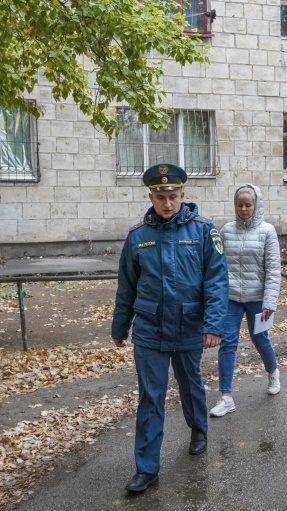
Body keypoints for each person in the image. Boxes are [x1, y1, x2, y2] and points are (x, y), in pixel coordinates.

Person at [111, 163, 228, 494]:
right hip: (150, 328)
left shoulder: (205, 231)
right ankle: (147, 468)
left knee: (191, 382)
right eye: (161, 197)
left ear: (183, 195)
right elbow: (127, 287)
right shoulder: (138, 237)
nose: (167, 203)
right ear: (151, 196)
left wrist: (213, 324)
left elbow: (217, 282)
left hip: (190, 325)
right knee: (151, 396)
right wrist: (120, 326)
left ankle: (199, 428)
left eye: (173, 196)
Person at [209, 184, 282, 417]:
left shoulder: (267, 231)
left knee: (260, 339)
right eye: (239, 204)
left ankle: (273, 371)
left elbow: (273, 270)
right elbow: (217, 266)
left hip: (258, 299)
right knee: (228, 342)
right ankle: (226, 397)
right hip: (230, 298)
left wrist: (270, 302)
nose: (243, 209)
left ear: (256, 205)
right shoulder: (226, 231)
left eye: (248, 205)